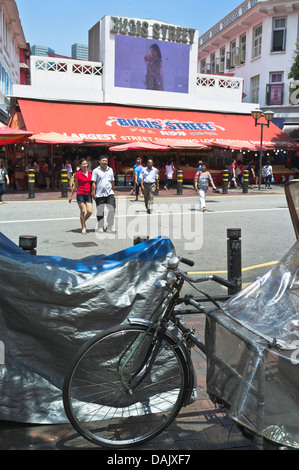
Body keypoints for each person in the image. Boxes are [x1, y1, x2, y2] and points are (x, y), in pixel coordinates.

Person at [91, 154, 116, 233]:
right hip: (99, 194)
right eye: (103, 161)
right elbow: (94, 183)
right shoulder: (96, 170)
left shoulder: (110, 170)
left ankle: (110, 225)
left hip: (109, 193)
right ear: (99, 161)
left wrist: (113, 190)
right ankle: (100, 226)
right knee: (100, 211)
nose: (105, 162)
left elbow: (112, 181)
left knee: (112, 209)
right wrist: (93, 193)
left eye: (106, 161)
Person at [69, 158, 93, 235]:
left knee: (89, 211)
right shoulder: (78, 174)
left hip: (88, 194)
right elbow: (75, 185)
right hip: (80, 194)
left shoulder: (90, 172)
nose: (85, 165)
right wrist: (71, 195)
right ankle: (83, 227)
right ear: (80, 165)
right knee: (82, 211)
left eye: (86, 164)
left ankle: (83, 221)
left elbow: (93, 184)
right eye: (83, 164)